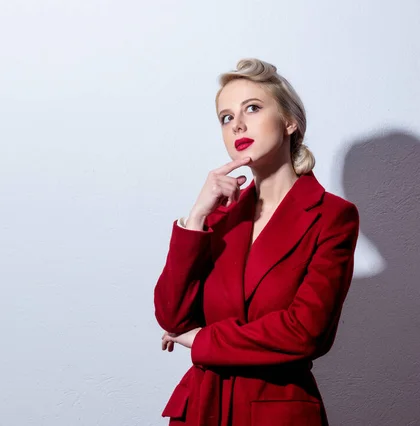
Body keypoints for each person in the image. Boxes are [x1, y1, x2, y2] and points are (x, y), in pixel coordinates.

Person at [153, 58, 360, 426]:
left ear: (289, 121)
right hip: (201, 410)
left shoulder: (332, 216)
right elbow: (172, 316)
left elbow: (304, 333)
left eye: (252, 108)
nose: (238, 125)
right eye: (226, 117)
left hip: (276, 412)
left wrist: (201, 341)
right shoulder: (219, 217)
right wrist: (196, 216)